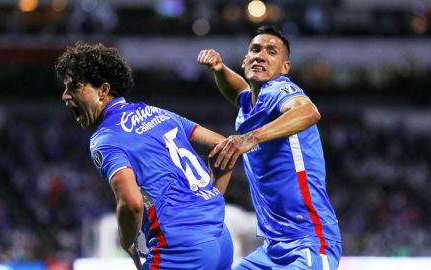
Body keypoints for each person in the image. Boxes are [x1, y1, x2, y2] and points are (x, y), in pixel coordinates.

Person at [56, 42, 233, 269]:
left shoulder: (105, 139)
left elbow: (132, 203)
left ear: (103, 90)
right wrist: (212, 197)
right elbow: (226, 146)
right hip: (220, 237)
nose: (65, 96)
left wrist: (127, 242)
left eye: (74, 87)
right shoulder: (158, 112)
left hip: (180, 249)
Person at [197, 25, 342, 269]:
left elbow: (308, 111)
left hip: (308, 241)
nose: (261, 55)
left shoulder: (280, 90)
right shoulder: (250, 105)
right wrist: (220, 70)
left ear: (285, 68)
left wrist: (250, 138)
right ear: (245, 61)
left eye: (271, 52)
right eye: (255, 50)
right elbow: (239, 92)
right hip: (272, 248)